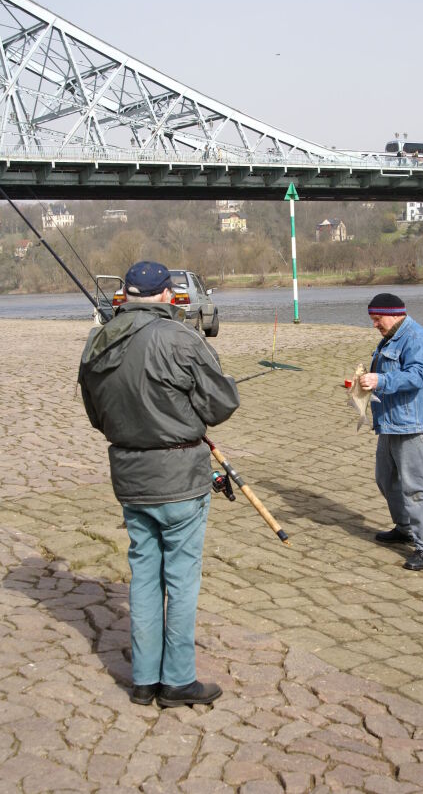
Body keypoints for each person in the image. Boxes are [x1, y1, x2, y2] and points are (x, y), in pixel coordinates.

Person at [78, 261, 240, 706]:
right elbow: (221, 403)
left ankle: (144, 680)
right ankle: (177, 681)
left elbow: (97, 415)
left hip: (130, 476)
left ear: (125, 297)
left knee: (144, 577)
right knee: (181, 580)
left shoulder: (97, 341)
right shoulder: (182, 338)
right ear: (168, 295)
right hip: (179, 479)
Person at [359, 293, 423, 571]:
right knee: (385, 478)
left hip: (413, 425)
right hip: (391, 423)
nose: (375, 325)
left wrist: (380, 380)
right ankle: (404, 527)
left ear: (394, 314)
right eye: (372, 320)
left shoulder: (416, 338)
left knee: (417, 487)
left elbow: (417, 376)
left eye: (377, 319)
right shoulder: (391, 337)